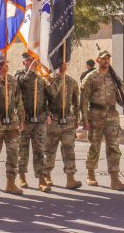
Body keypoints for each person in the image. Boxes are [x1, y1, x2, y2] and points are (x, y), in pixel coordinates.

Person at [80, 49, 124, 191]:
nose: (106, 61)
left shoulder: (114, 78)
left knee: (114, 148)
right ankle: (90, 173)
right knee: (94, 146)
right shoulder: (90, 77)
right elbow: (84, 101)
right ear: (97, 60)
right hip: (95, 116)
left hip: (112, 116)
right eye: (103, 59)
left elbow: (120, 98)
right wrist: (84, 120)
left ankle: (114, 179)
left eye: (108, 58)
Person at [0, 55, 25, 195]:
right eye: (0, 64)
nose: (3, 67)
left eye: (5, 64)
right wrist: (0, 76)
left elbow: (18, 101)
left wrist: (22, 119)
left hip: (12, 120)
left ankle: (11, 182)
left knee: (13, 152)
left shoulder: (13, 80)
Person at [15, 53, 51, 192]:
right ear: (23, 63)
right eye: (28, 61)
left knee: (40, 150)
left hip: (39, 120)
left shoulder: (40, 79)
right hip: (26, 119)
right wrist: (32, 69)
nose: (31, 63)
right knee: (22, 150)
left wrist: (47, 113)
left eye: (32, 60)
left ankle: (42, 178)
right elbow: (24, 82)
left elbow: (45, 99)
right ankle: (22, 175)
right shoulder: (18, 75)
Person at [44, 61, 82, 189]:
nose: (63, 65)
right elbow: (48, 96)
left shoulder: (71, 82)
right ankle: (47, 176)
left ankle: (70, 179)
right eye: (60, 63)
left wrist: (76, 118)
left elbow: (76, 102)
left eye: (64, 63)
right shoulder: (49, 81)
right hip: (53, 121)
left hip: (68, 121)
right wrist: (60, 75)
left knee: (69, 150)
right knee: (50, 150)